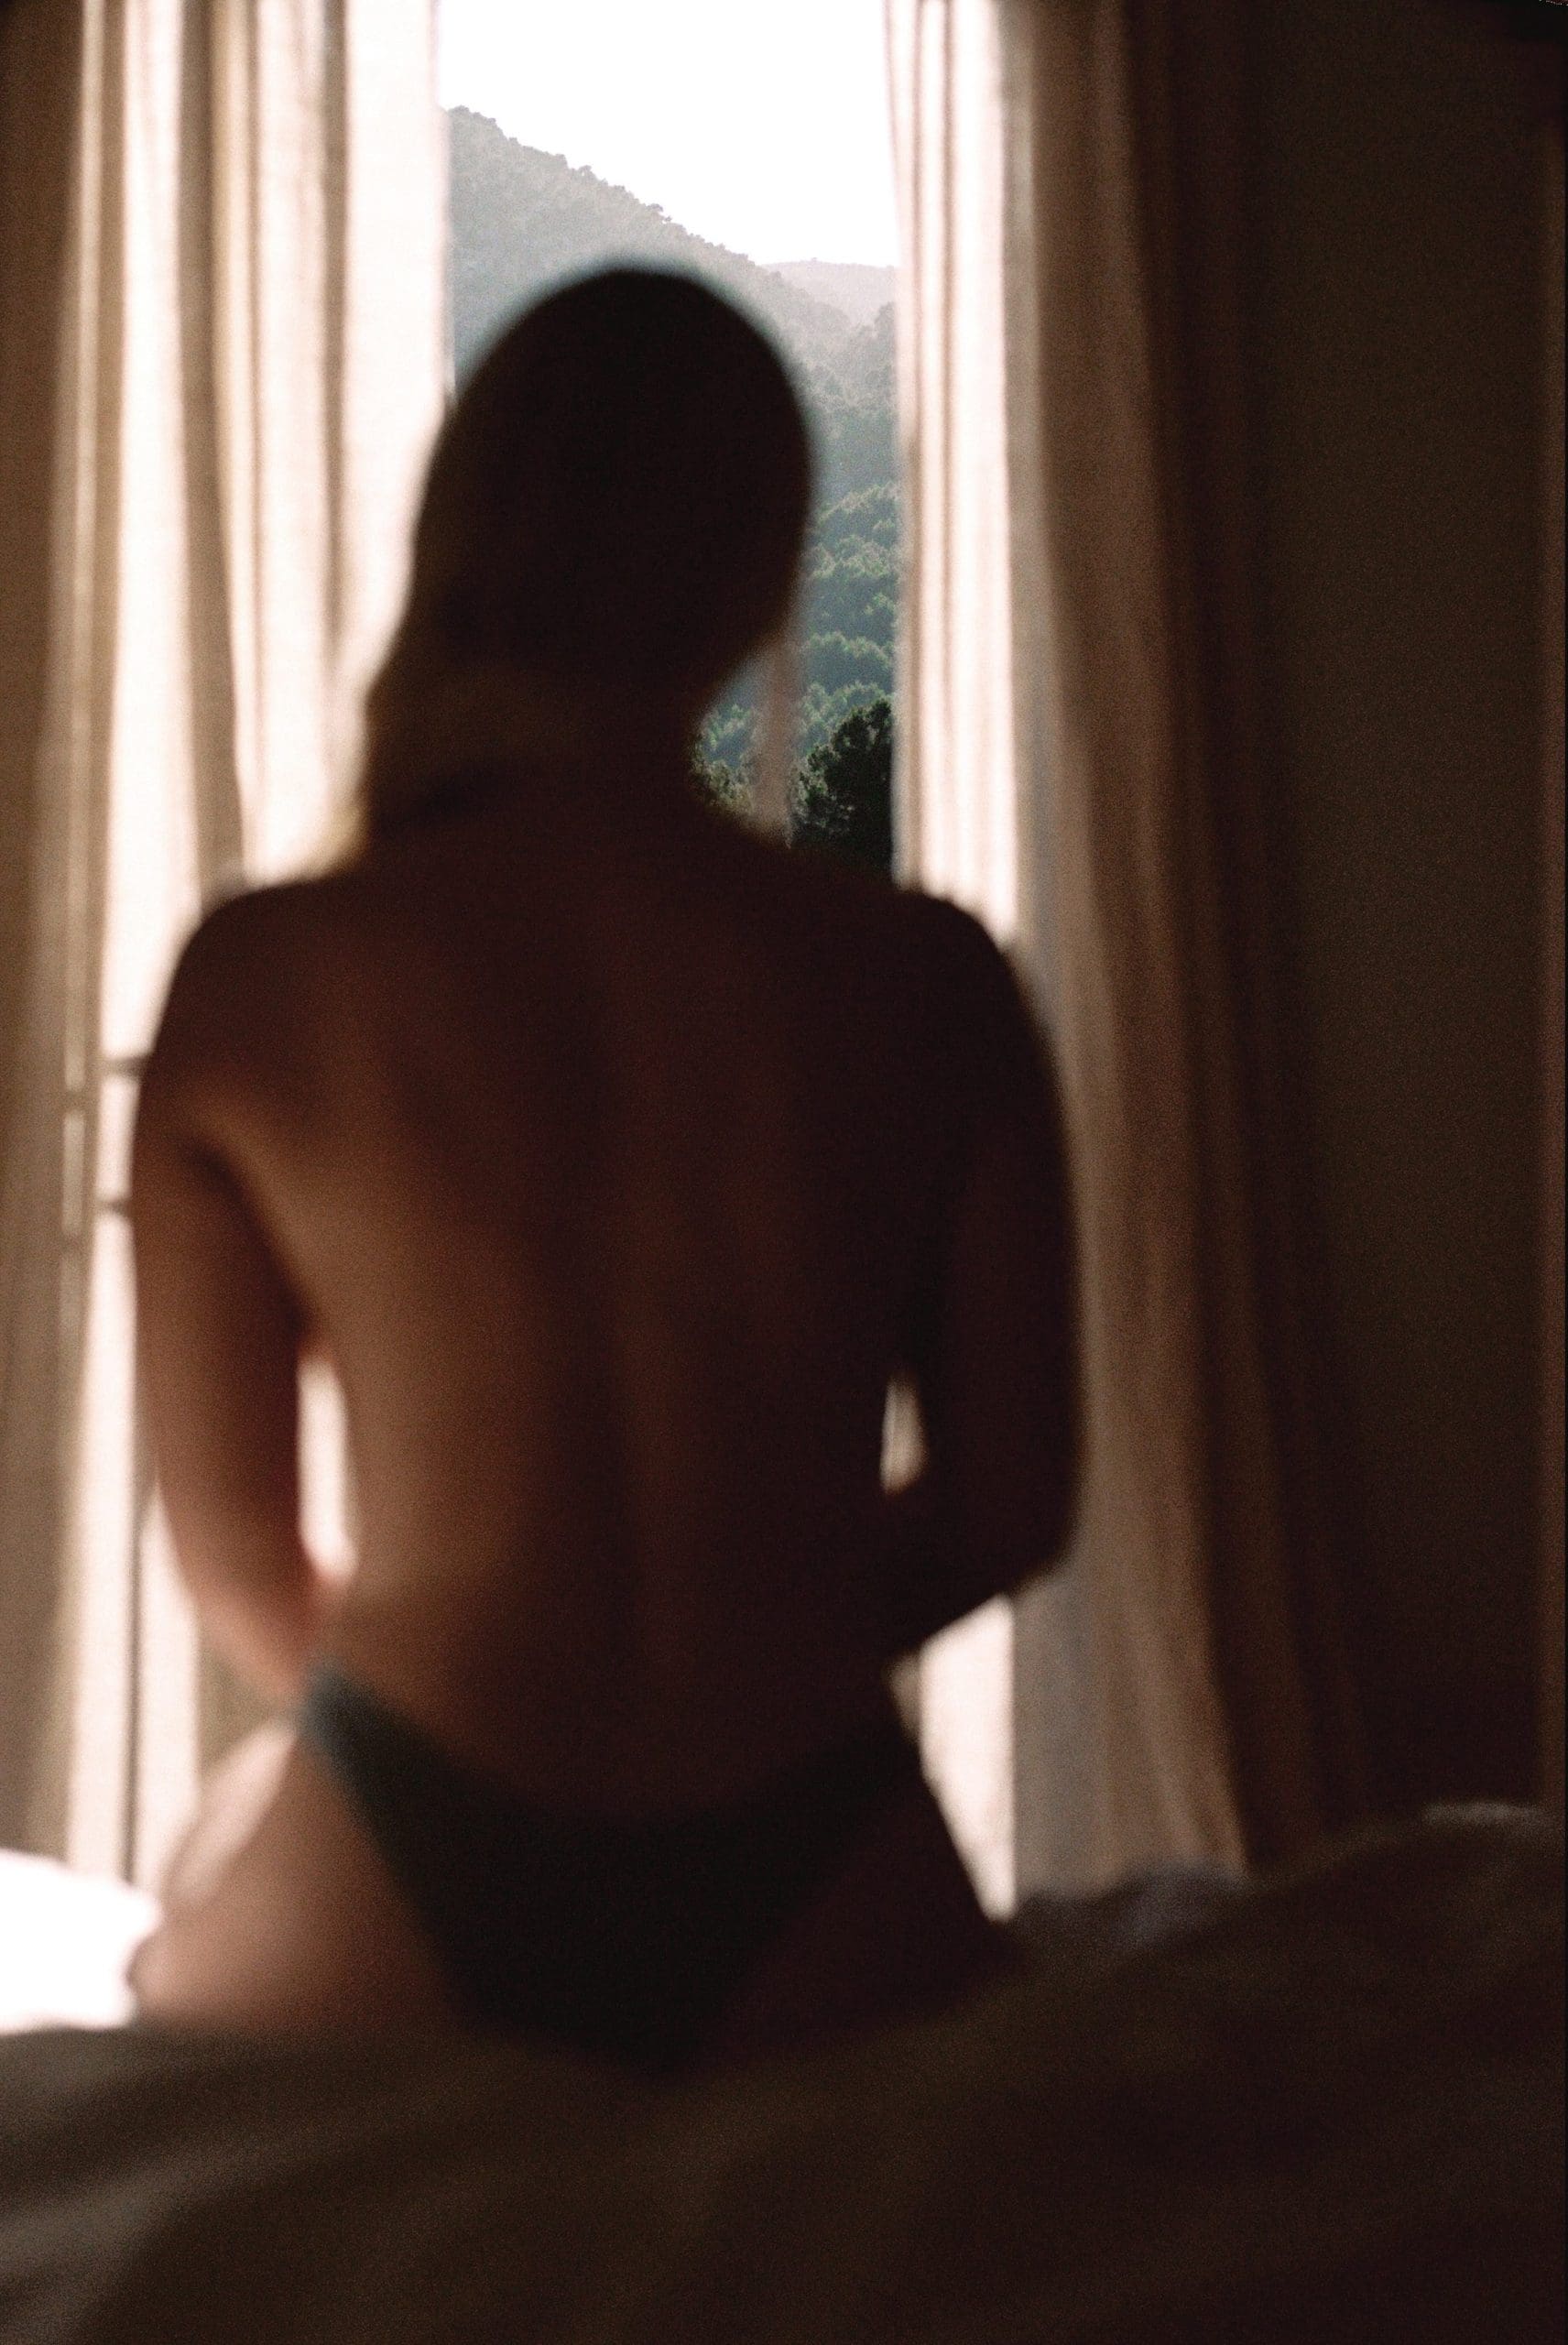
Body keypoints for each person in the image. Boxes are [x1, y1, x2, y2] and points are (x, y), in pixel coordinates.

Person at [127, 268, 1079, 2072]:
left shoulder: (258, 976)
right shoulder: (932, 977)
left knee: (184, 1904)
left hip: (409, 1841)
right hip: (824, 1850)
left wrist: (488, 1717)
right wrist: (745, 1646)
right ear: (759, 574)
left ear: (459, 543)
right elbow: (1012, 1503)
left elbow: (240, 1563)